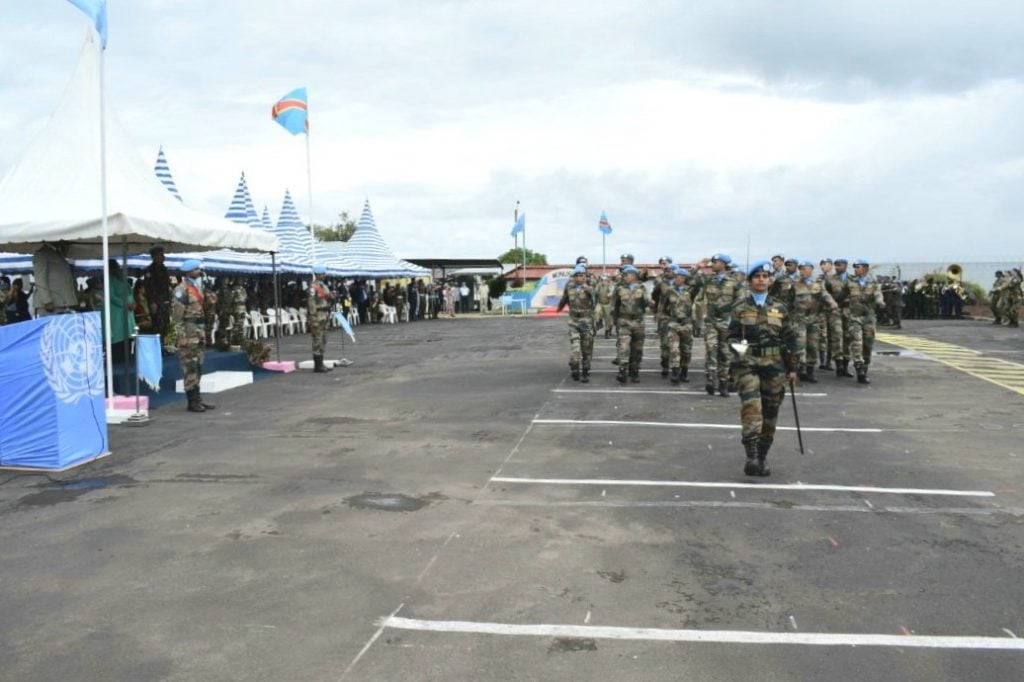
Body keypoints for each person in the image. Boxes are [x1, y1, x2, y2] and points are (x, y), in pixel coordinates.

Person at [727, 260, 800, 477]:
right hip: (747, 365)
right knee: (751, 408)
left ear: (770, 281)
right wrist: (740, 352)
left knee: (770, 411)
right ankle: (751, 456)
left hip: (775, 365)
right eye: (757, 276)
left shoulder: (780, 308)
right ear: (750, 281)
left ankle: (762, 455)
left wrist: (792, 368)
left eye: (765, 277)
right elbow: (730, 336)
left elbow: (790, 338)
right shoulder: (739, 307)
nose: (761, 280)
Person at [172, 260, 215, 412]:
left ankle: (198, 398)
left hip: (199, 331)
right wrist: (181, 336)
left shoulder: (197, 287)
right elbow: (177, 317)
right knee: (190, 366)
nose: (200, 271)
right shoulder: (181, 290)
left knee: (198, 366)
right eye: (197, 269)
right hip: (188, 332)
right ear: (189, 271)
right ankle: (192, 401)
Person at [836, 258, 885, 384]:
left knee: (868, 345)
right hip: (854, 318)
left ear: (865, 268)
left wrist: (880, 301)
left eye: (858, 267)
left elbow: (878, 294)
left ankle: (865, 367)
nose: (855, 269)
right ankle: (859, 369)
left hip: (869, 318)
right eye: (855, 267)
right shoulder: (850, 283)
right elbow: (841, 296)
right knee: (856, 342)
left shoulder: (872, 283)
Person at [786, 261, 836, 383]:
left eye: (804, 269)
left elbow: (825, 294)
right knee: (800, 345)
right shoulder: (794, 284)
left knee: (813, 346)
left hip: (813, 319)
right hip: (799, 319)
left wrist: (831, 302)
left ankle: (810, 371)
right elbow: (788, 300)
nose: (802, 271)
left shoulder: (817, 284)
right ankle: (800, 368)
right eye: (800, 269)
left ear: (811, 270)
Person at [699, 253, 741, 396]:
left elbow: (741, 301)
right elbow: (691, 282)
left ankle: (723, 383)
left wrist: (733, 318)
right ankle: (710, 379)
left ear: (724, 264)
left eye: (716, 262)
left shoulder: (734, 282)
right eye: (713, 262)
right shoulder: (709, 280)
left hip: (727, 324)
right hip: (711, 322)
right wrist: (697, 268)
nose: (713, 264)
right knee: (711, 349)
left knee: (725, 353)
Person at [612, 265, 653, 383]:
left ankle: (634, 371)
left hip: (638, 321)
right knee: (624, 346)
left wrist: (650, 302)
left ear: (634, 276)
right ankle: (622, 370)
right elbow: (614, 306)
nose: (624, 277)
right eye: (623, 275)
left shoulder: (642, 288)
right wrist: (615, 321)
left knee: (637, 348)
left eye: (626, 275)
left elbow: (648, 302)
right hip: (624, 321)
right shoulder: (619, 288)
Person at [557, 264, 596, 382]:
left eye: (582, 275)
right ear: (574, 277)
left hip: (586, 321)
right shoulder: (569, 286)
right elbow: (564, 299)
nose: (580, 278)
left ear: (585, 276)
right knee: (575, 346)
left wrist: (587, 289)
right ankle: (575, 367)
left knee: (586, 348)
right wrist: (559, 308)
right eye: (578, 276)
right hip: (574, 321)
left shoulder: (590, 286)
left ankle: (585, 371)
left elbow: (595, 299)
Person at [662, 265, 696, 384]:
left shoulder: (691, 290)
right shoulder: (669, 291)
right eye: (675, 276)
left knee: (686, 350)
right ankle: (675, 373)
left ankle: (684, 372)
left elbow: (699, 282)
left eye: (679, 277)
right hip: (674, 323)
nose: (676, 279)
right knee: (674, 348)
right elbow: (663, 307)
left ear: (684, 278)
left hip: (687, 324)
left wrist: (695, 269)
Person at [32, 242, 78, 316]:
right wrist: (47, 300)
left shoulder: (58, 253)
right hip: (51, 306)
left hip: (61, 303)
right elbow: (40, 279)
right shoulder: (42, 254)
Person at [104, 260, 136, 365]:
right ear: (111, 269)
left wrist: (133, 303)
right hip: (117, 316)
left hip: (128, 315)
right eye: (117, 267)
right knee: (118, 345)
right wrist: (125, 304)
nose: (119, 269)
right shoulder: (108, 280)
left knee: (128, 342)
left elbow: (130, 292)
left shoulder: (122, 280)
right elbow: (111, 296)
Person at [307, 265, 335, 372]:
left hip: (324, 315)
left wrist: (331, 296)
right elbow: (311, 303)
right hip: (317, 316)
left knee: (323, 339)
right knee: (317, 340)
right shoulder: (313, 287)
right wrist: (313, 318)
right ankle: (317, 365)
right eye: (323, 274)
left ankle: (321, 362)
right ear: (317, 274)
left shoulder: (323, 286)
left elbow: (326, 297)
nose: (324, 275)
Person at [143, 245, 173, 342]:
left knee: (167, 323)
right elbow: (148, 287)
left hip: (165, 300)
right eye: (161, 255)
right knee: (158, 323)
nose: (163, 257)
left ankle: (167, 344)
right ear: (154, 256)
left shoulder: (164, 268)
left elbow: (167, 285)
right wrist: (152, 302)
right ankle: (158, 345)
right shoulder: (150, 270)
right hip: (156, 301)